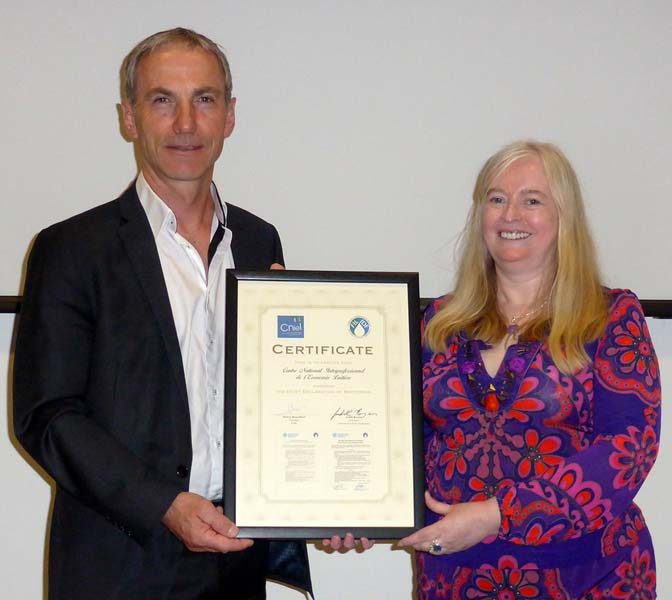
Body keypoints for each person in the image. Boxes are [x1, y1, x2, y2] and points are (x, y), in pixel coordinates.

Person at [13, 28, 312, 599]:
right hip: (117, 565)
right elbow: (48, 414)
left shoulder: (257, 241)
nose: (184, 124)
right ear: (129, 117)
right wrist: (164, 506)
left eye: (204, 99)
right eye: (161, 100)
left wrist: (329, 501)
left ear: (229, 116)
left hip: (236, 562)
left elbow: (284, 399)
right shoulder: (71, 249)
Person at [399, 140, 661, 598]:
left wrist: (499, 514)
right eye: (496, 199)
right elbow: (401, 444)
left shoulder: (611, 316)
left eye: (532, 200)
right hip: (457, 578)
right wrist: (358, 511)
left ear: (565, 217)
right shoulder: (436, 324)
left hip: (586, 574)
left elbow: (627, 450)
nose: (510, 215)